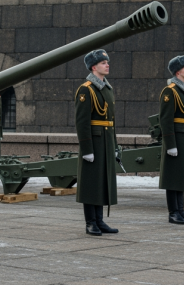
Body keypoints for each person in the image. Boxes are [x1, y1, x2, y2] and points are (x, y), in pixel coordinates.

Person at [75, 49, 118, 236]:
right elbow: (82, 122)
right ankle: (90, 222)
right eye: (103, 63)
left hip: (106, 141)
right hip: (93, 142)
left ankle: (100, 220)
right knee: (91, 183)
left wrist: (115, 146)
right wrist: (86, 148)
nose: (107, 65)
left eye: (107, 62)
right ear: (94, 67)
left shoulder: (106, 88)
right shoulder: (86, 89)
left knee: (102, 182)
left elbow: (111, 121)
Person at [159, 55, 184, 225]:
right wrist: (170, 144)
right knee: (174, 176)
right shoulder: (170, 91)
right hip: (176, 138)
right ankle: (173, 212)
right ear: (178, 71)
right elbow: (166, 120)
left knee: (183, 175)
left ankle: (181, 210)